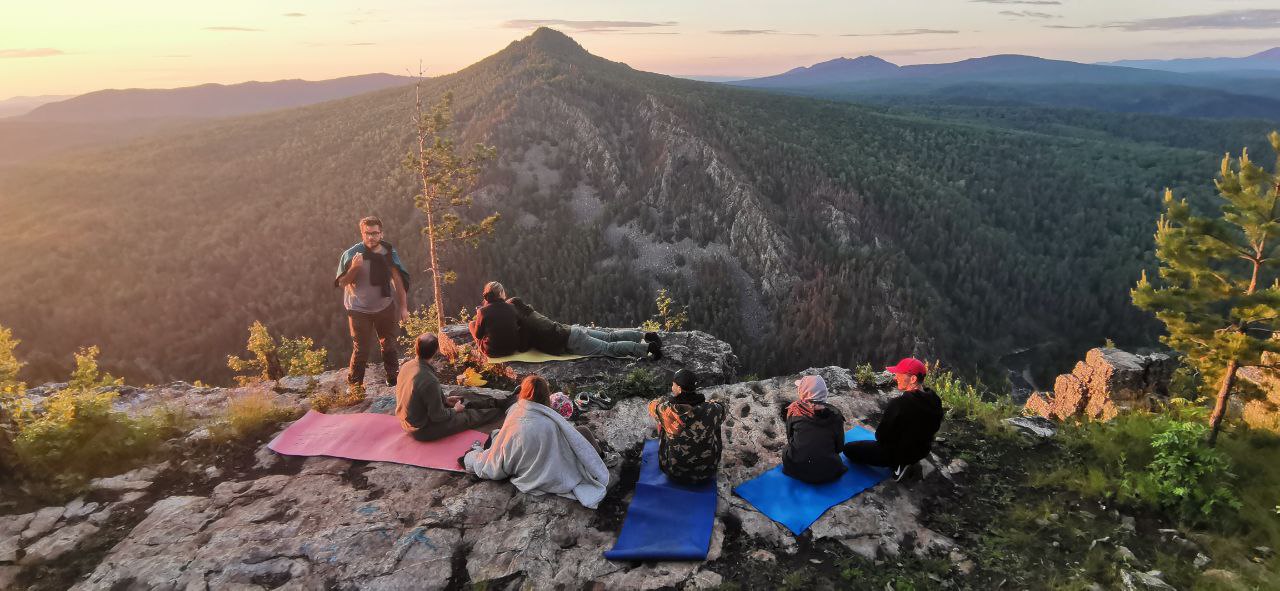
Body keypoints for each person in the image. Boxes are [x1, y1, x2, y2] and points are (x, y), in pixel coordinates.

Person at [462, 375, 610, 508]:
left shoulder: (515, 412)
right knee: (583, 431)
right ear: (546, 395)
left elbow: (498, 457)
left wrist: (472, 457)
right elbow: (560, 446)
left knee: (497, 436)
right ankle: (603, 457)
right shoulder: (549, 421)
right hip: (550, 471)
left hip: (528, 466)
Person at [334, 216, 410, 392]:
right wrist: (354, 267)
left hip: (384, 306)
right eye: (367, 234)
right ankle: (355, 386)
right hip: (358, 308)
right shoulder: (351, 254)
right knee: (361, 349)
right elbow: (342, 282)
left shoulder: (388, 252)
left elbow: (398, 280)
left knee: (389, 344)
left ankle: (393, 379)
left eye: (375, 233)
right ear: (362, 233)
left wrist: (404, 307)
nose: (371, 238)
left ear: (381, 234)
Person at [395, 334, 511, 442]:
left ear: (416, 348)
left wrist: (444, 400)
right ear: (436, 350)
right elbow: (437, 416)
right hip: (422, 429)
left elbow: (420, 395)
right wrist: (455, 410)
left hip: (409, 421)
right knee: (469, 416)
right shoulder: (429, 380)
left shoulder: (407, 366)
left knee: (463, 396)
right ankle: (500, 410)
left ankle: (499, 402)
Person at [842, 357, 944, 480]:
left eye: (899, 375)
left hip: (897, 453)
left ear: (913, 379)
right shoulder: (935, 399)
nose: (895, 378)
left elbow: (880, 436)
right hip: (923, 450)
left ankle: (899, 464)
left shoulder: (899, 404)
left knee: (848, 449)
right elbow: (935, 426)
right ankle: (908, 461)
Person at [508, 296, 662, 360]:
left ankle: (648, 348)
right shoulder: (532, 313)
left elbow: (522, 348)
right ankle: (646, 336)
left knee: (609, 348)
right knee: (611, 337)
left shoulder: (525, 325)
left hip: (572, 340)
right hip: (573, 330)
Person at [646, 369, 726, 485]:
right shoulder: (713, 409)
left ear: (679, 388)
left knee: (663, 423)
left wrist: (661, 401)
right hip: (706, 471)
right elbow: (722, 409)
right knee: (715, 423)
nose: (672, 387)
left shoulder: (666, 410)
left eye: (673, 384)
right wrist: (712, 403)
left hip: (673, 471)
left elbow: (651, 406)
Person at [781, 375, 848, 484]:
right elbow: (839, 447)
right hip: (829, 472)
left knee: (786, 450)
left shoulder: (794, 411)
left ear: (803, 394)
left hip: (798, 470)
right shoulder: (836, 416)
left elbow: (790, 438)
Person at [468, 282, 522, 358]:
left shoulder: (482, 311)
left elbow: (478, 335)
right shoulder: (512, 307)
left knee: (471, 324)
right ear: (501, 293)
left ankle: (480, 348)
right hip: (512, 349)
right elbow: (519, 324)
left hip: (492, 351)